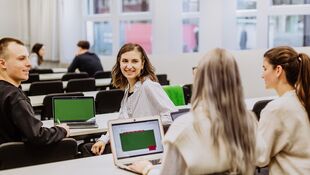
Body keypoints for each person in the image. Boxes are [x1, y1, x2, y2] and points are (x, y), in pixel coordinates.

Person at [129, 48, 257, 175]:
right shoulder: (248, 120)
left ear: (199, 81)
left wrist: (147, 169)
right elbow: (261, 158)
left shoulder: (184, 127)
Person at [89, 43, 177, 156]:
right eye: (125, 61)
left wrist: (146, 130)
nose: (129, 66)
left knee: (89, 151)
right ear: (119, 63)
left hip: (147, 145)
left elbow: (172, 116)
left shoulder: (148, 86)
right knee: (93, 148)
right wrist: (103, 139)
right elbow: (121, 120)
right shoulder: (128, 89)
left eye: (135, 61)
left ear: (142, 64)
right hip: (132, 142)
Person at [0, 37, 69, 145]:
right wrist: (61, 130)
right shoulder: (14, 96)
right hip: (19, 159)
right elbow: (37, 136)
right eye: (21, 58)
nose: (29, 64)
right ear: (3, 64)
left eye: (28, 58)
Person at [256, 46, 310, 174]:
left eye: (265, 68)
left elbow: (259, 158)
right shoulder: (303, 100)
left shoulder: (275, 109)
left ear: (278, 70)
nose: (262, 75)